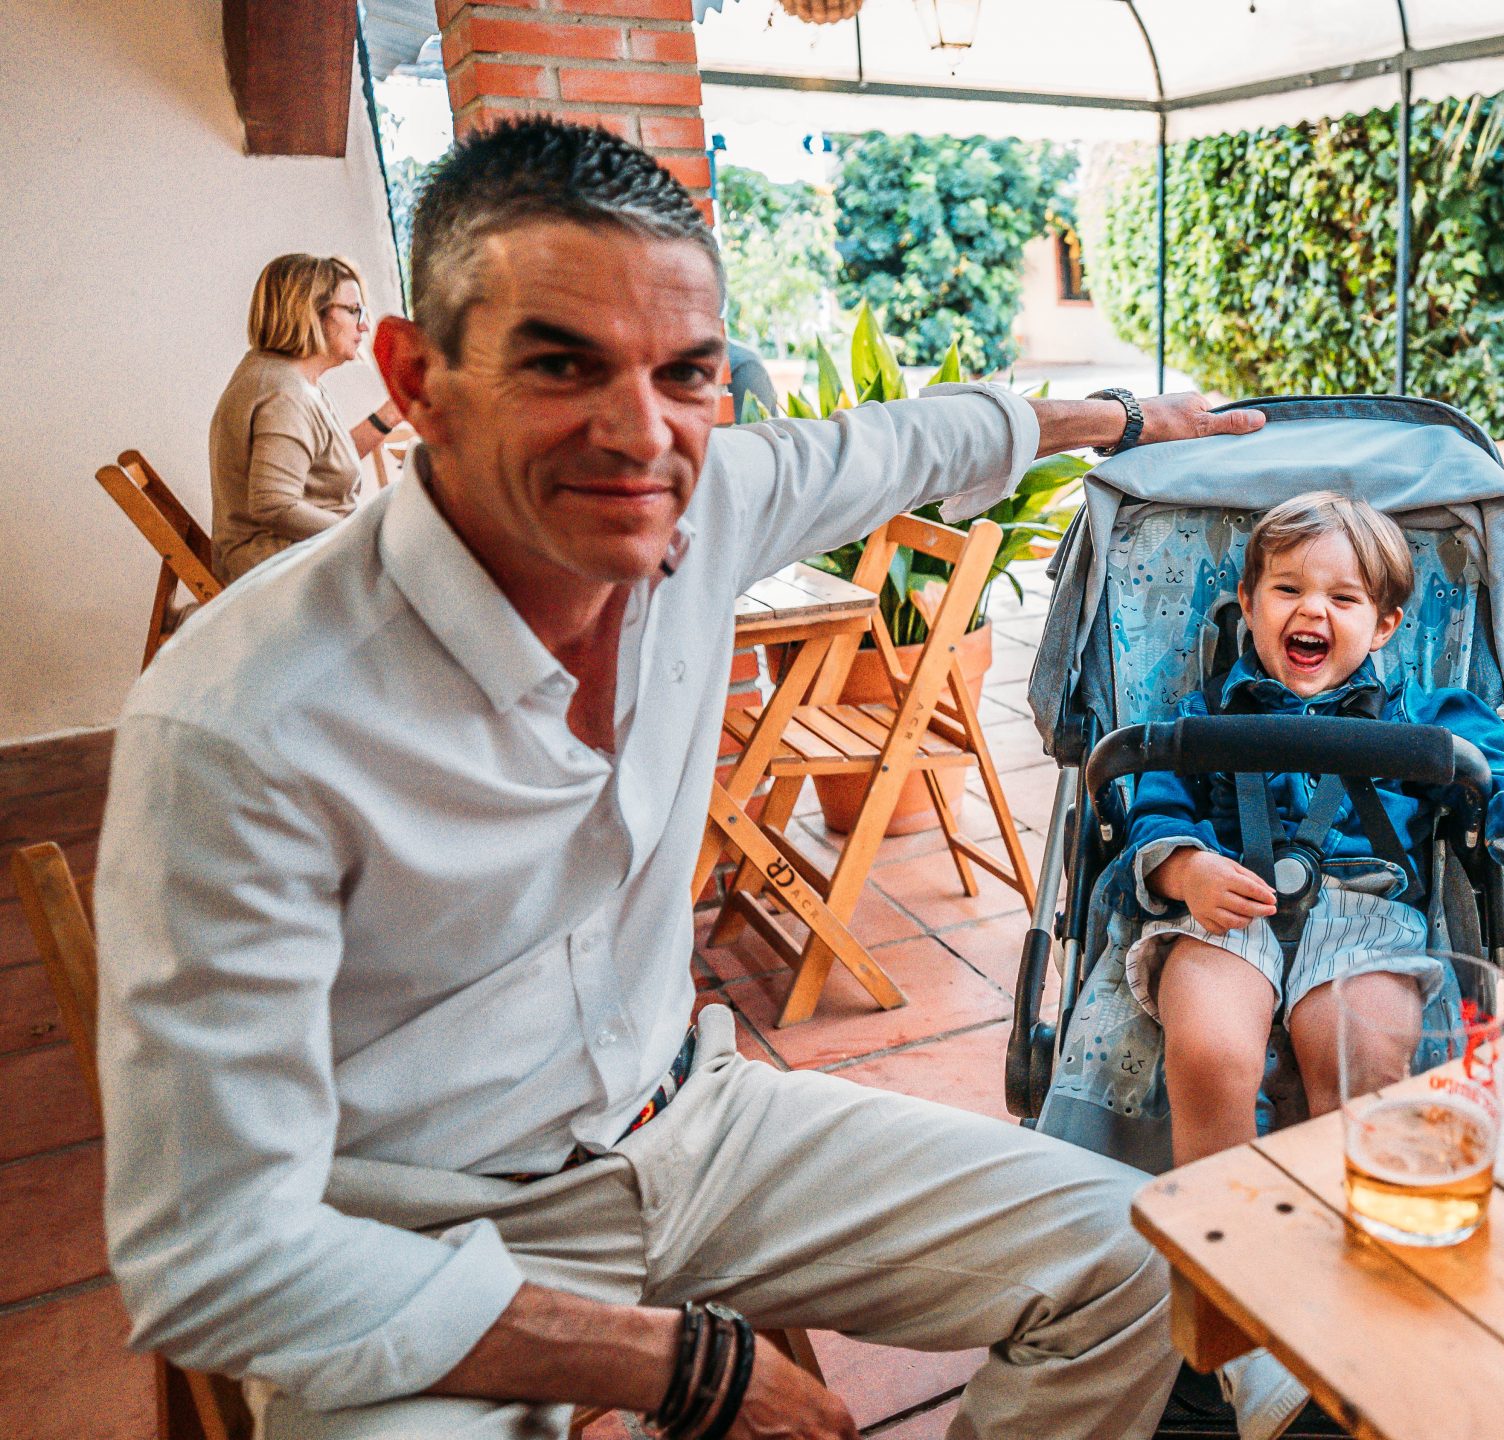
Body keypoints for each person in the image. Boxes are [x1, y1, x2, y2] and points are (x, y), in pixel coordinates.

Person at [95, 118, 1265, 1440]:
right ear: (417, 381)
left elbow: (914, 440)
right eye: (560, 363)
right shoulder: (242, 721)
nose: (639, 435)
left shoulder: (710, 502)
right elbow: (214, 1257)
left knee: (1126, 1254)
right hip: (419, 1225)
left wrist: (1124, 417)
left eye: (688, 372)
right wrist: (678, 1368)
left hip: (693, 1121)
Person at [1124, 490, 1504, 1437]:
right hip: (1228, 900)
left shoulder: (1432, 709)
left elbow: (1502, 781)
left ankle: (1335, 1285)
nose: (1313, 612)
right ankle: (1225, 1308)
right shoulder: (1205, 710)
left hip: (1363, 909)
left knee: (1359, 1060)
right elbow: (1153, 799)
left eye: (1345, 600)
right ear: (1249, 603)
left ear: (1388, 623)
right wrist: (1185, 868)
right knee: (1211, 1051)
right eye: (1288, 590)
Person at [207, 254, 407, 582]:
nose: (365, 324)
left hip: (298, 557)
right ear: (311, 312)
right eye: (354, 310)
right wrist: (363, 534)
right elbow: (274, 504)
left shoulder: (286, 375)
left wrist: (390, 414)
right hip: (278, 572)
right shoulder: (283, 393)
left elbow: (324, 460)